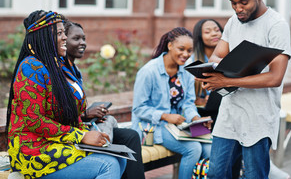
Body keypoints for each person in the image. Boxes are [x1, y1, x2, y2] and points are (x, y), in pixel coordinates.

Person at [6, 10, 126, 178]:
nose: (64, 38)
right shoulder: (30, 68)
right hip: (33, 150)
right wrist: (82, 135)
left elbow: (64, 111)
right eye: (60, 33)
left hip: (56, 142)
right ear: (44, 37)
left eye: (64, 33)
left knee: (120, 159)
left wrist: (85, 130)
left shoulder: (54, 65)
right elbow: (34, 120)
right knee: (108, 165)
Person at [196, 0, 291, 179]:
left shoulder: (276, 25)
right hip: (229, 113)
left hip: (259, 116)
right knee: (216, 173)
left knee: (254, 175)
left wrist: (228, 78)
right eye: (233, 2)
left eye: (243, 2)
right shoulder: (233, 21)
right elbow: (215, 58)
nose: (238, 8)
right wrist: (212, 75)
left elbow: (275, 78)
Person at [64, 20, 145, 179]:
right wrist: (84, 115)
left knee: (131, 136)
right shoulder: (57, 72)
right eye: (76, 39)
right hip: (72, 132)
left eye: (84, 39)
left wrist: (90, 115)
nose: (83, 43)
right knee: (114, 157)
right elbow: (58, 116)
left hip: (83, 123)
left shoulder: (75, 71)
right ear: (62, 40)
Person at [131, 27, 212, 179]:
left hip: (178, 126)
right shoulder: (149, 71)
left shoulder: (185, 72)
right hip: (151, 128)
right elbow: (139, 109)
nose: (185, 54)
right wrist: (165, 116)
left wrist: (195, 119)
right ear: (170, 45)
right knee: (193, 149)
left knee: (209, 148)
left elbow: (188, 104)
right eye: (181, 49)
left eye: (189, 51)